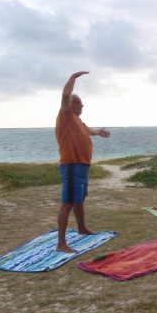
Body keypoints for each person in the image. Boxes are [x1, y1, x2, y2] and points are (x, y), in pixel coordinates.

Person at [55, 71, 111, 253]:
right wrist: (73, 77)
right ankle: (61, 244)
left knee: (79, 200)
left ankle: (82, 228)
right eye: (79, 102)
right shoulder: (66, 115)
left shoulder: (78, 121)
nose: (82, 105)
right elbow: (65, 95)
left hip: (82, 165)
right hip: (71, 165)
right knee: (68, 202)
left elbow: (89, 130)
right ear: (70, 105)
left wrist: (99, 132)